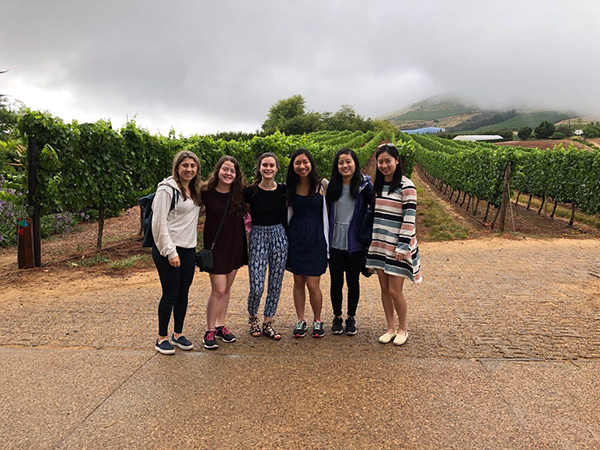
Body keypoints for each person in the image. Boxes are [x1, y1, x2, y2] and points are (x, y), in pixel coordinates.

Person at [365, 143, 422, 346]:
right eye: (380, 162)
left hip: (398, 246)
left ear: (397, 161)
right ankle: (390, 327)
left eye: (388, 161)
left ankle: (402, 329)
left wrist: (402, 246)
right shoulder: (378, 185)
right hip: (380, 244)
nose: (384, 165)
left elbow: (409, 219)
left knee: (395, 290)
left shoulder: (407, 186)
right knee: (384, 288)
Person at [152, 151, 203, 355]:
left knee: (183, 293)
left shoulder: (194, 190)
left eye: (193, 165)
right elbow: (159, 222)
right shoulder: (167, 190)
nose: (189, 169)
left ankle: (178, 334)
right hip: (169, 249)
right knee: (170, 293)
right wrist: (170, 251)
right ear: (177, 167)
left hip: (188, 249)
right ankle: (162, 337)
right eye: (185, 165)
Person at [200, 156, 248, 350]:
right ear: (218, 170)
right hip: (216, 247)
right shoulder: (206, 193)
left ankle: (220, 325)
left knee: (227, 289)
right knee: (218, 289)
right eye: (225, 169)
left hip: (235, 245)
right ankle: (209, 329)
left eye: (232, 171)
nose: (228, 173)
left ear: (236, 175)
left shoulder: (240, 194)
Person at [326, 148, 373, 336]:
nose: (344, 166)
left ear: (355, 163)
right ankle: (337, 317)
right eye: (340, 163)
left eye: (348, 162)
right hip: (335, 241)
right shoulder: (330, 187)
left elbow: (375, 208)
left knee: (353, 281)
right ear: (336, 166)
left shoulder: (364, 186)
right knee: (336, 282)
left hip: (356, 243)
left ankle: (351, 317)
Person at [243, 153, 288, 340]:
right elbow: (245, 213)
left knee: (275, 283)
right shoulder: (250, 191)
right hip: (258, 236)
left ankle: (268, 322)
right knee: (257, 285)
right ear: (259, 168)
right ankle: (253, 317)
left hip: (279, 235)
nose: (268, 168)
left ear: (277, 168)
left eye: (271, 165)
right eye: (265, 165)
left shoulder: (284, 190)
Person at [286, 148, 329, 338]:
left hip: (316, 237)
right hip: (296, 237)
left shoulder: (323, 185)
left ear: (311, 163)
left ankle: (317, 320)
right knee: (298, 281)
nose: (302, 166)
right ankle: (300, 320)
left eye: (305, 162)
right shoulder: (289, 186)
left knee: (313, 284)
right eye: (297, 163)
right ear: (293, 166)